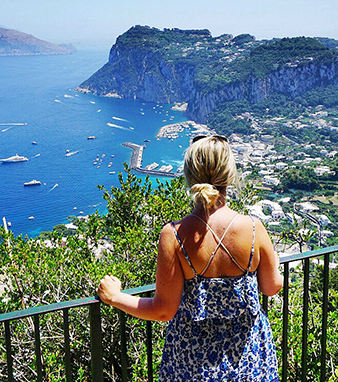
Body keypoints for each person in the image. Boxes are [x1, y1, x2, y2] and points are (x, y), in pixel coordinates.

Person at [97, 135, 283, 381]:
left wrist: (115, 297)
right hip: (247, 359)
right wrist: (276, 263)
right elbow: (271, 287)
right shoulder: (253, 228)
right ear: (229, 176)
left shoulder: (173, 235)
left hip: (192, 362)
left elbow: (163, 310)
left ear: (189, 176)